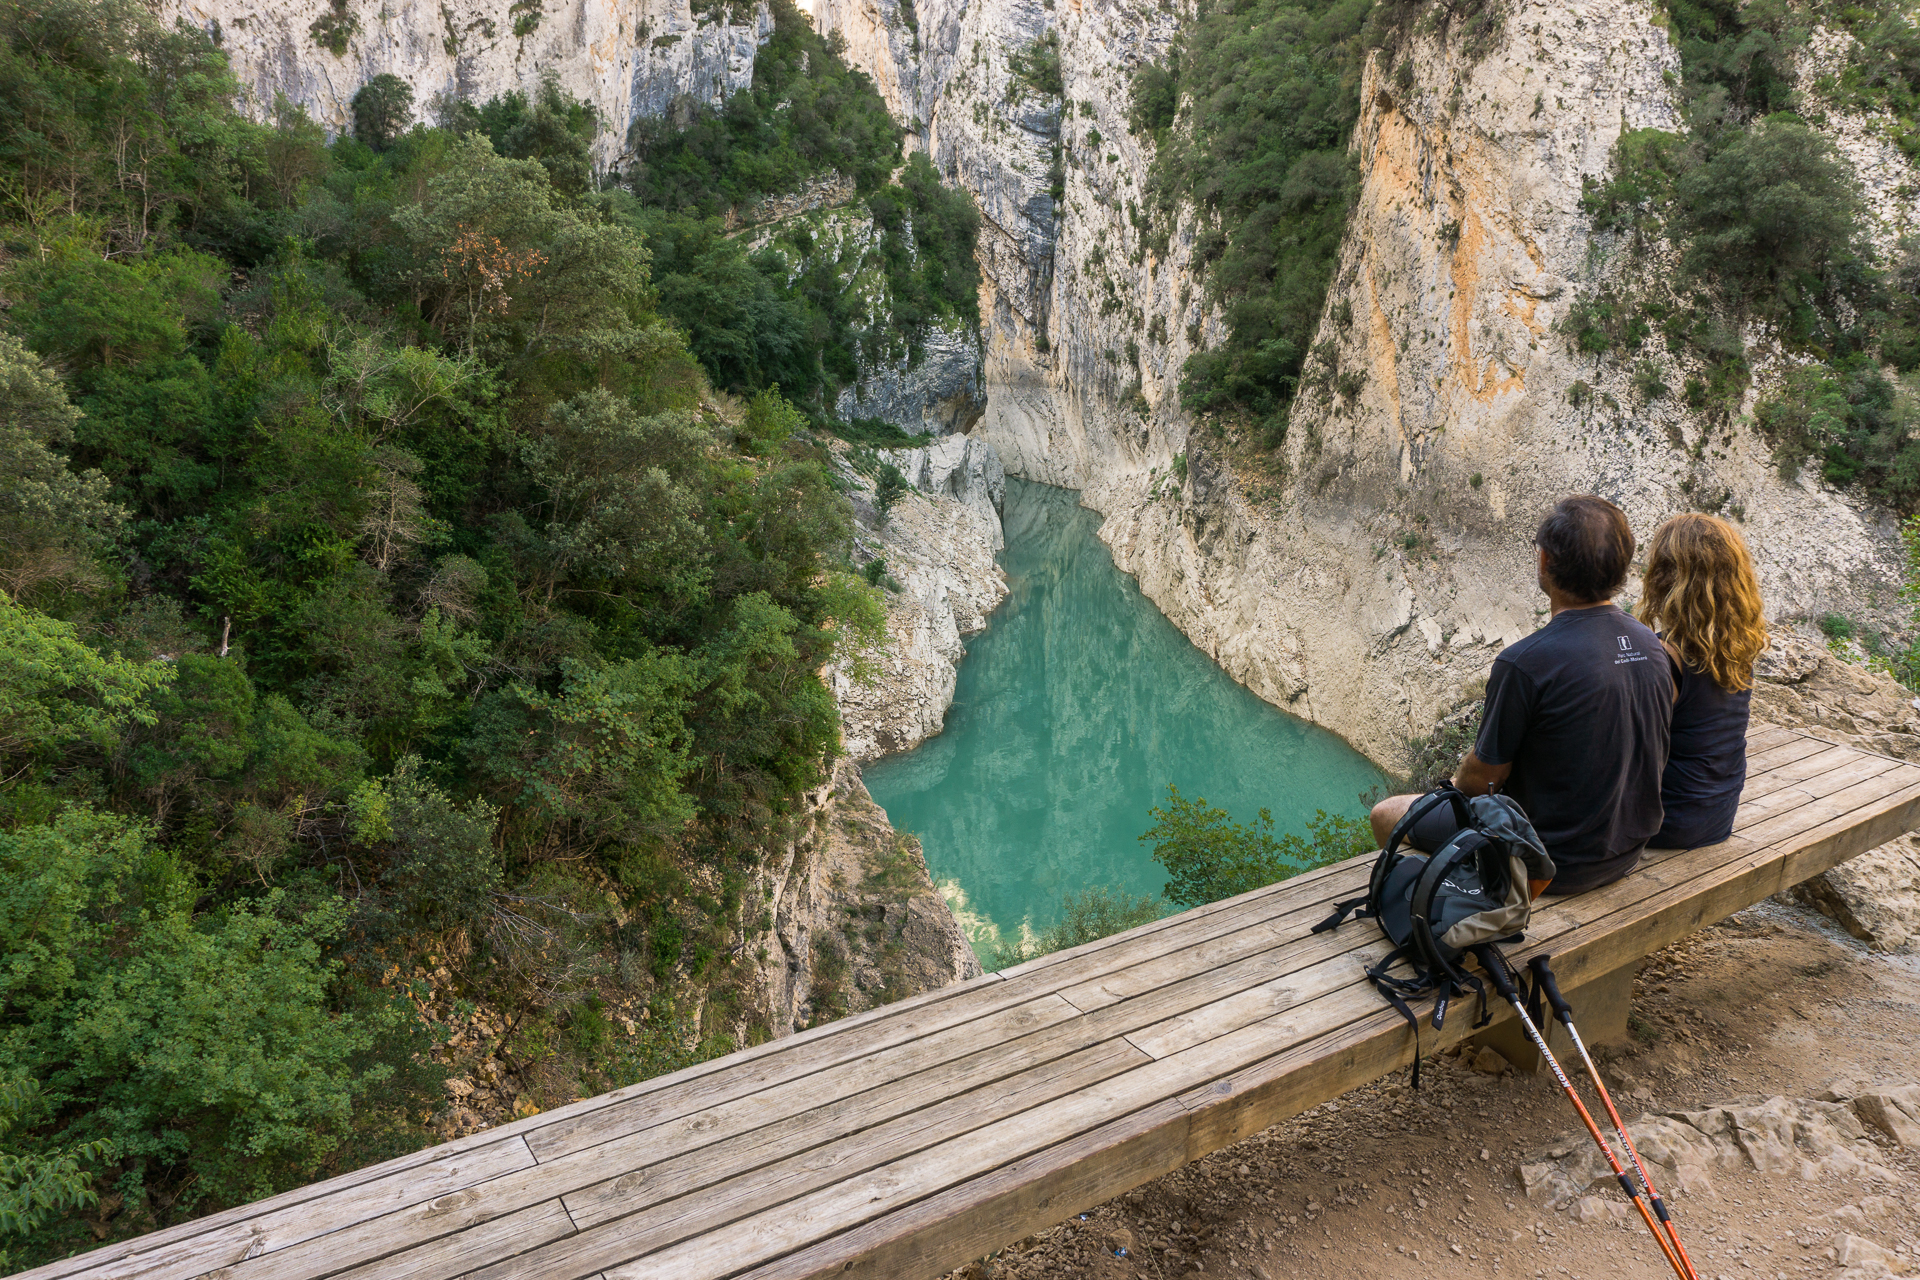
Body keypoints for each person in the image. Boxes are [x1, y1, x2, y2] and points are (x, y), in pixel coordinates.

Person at [1370, 495, 1674, 895]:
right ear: (1622, 567)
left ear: (1545, 561)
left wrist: (1456, 781)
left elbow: (1480, 781)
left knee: (1385, 813)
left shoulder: (1526, 662)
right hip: (1625, 851)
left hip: (1548, 864)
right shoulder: (1650, 643)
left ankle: (1465, 896)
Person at [1637, 513, 1767, 848]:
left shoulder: (1665, 658)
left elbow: (1631, 753)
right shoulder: (1736, 642)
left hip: (1669, 822)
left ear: (1665, 576)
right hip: (1718, 813)